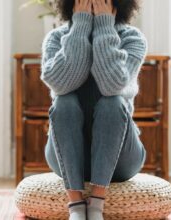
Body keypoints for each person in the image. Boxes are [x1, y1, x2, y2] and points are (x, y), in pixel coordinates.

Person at [40, 0, 147, 219]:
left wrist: (104, 26)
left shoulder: (132, 38)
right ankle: (76, 204)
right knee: (64, 101)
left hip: (121, 159)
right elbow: (61, 84)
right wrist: (81, 26)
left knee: (113, 102)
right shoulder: (56, 38)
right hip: (66, 158)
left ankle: (97, 204)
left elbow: (112, 86)